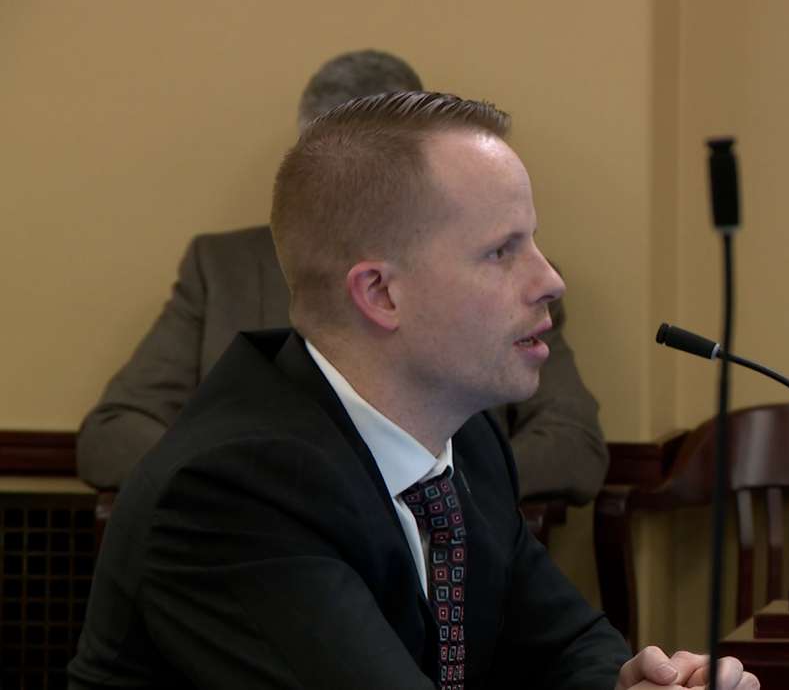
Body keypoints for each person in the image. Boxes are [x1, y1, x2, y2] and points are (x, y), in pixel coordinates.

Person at [68, 91, 758, 689]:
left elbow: (565, 645)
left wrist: (640, 681)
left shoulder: (468, 440)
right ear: (380, 292)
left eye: (535, 242)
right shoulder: (236, 488)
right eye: (501, 250)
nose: (550, 279)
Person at [76, 50, 608, 505]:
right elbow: (112, 433)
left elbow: (572, 445)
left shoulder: (518, 285)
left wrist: (420, 491)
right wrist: (257, 491)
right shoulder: (222, 270)